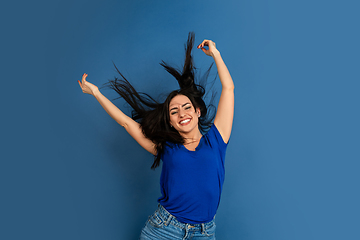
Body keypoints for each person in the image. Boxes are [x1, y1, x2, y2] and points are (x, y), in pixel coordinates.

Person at [78, 32, 234, 239]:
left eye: (187, 107)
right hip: (165, 230)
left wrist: (215, 54)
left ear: (197, 112)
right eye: (174, 111)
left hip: (204, 233)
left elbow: (228, 88)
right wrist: (96, 93)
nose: (182, 114)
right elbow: (126, 122)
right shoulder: (167, 147)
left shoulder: (217, 139)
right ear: (170, 121)